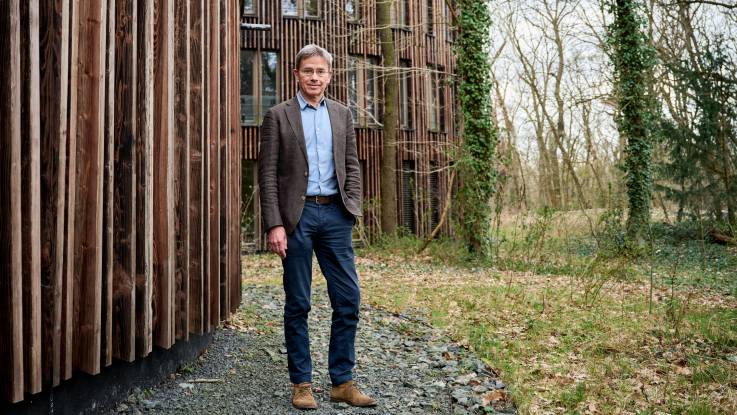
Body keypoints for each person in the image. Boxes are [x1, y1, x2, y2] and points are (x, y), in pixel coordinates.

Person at [258, 44, 377, 410]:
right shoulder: (278, 115)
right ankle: (302, 384)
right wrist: (275, 223)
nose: (314, 77)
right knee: (299, 302)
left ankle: (342, 382)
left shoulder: (342, 114)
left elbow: (351, 164)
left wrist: (351, 207)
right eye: (307, 70)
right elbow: (266, 174)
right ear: (296, 74)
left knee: (348, 299)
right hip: (297, 219)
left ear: (329, 75)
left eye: (320, 71)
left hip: (336, 216)